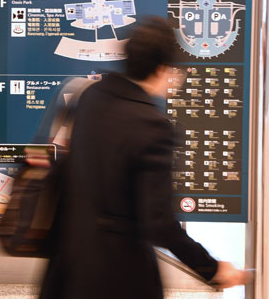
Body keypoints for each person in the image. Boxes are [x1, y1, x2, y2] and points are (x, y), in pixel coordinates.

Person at [40, 16, 248, 299]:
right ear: (162, 69)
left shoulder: (91, 97)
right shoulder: (152, 126)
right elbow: (159, 222)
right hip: (117, 277)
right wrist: (211, 268)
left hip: (68, 268)